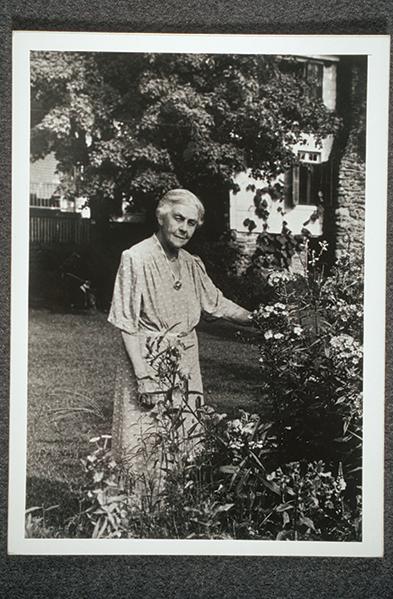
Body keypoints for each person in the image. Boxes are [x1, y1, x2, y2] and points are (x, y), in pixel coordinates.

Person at [108, 189, 251, 489]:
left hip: (186, 363)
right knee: (144, 441)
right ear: (161, 217)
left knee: (184, 441)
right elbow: (126, 323)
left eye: (191, 223)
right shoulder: (136, 258)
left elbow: (217, 303)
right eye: (178, 218)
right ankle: (137, 515)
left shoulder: (191, 263)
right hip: (149, 362)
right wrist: (143, 376)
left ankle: (174, 514)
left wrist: (261, 318)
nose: (184, 228)